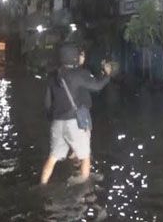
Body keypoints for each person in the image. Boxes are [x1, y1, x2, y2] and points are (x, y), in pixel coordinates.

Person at [41, 45, 111, 185]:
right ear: (75, 57)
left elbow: (47, 103)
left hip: (57, 122)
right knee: (85, 157)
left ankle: (42, 184)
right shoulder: (79, 74)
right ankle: (84, 187)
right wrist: (107, 75)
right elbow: (97, 86)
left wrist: (53, 118)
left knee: (53, 157)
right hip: (75, 123)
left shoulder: (54, 77)